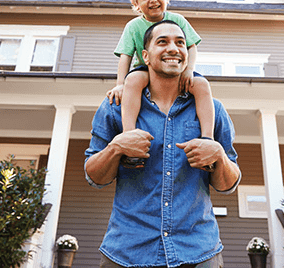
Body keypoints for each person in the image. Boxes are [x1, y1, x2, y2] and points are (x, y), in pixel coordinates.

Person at [85, 20, 241, 268]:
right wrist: (117, 147)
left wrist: (219, 156)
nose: (174, 48)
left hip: (198, 252)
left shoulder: (211, 109)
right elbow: (95, 176)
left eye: (180, 42)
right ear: (145, 56)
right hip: (127, 252)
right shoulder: (116, 107)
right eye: (163, 42)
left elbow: (228, 184)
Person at [106, 0, 215, 167]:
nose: (153, 0)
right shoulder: (133, 26)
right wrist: (120, 84)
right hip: (145, 69)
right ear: (135, 4)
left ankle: (207, 140)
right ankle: (129, 137)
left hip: (177, 69)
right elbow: (125, 56)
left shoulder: (178, 20)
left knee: (201, 85)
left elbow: (191, 46)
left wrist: (189, 69)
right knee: (134, 80)